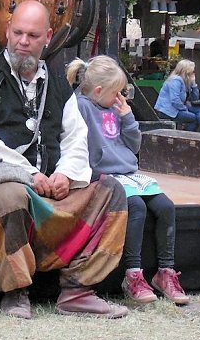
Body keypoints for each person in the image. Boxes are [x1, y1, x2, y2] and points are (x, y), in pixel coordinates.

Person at [0, 0, 129, 320]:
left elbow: (76, 137)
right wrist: (29, 174)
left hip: (47, 181)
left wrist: (65, 174)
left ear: (47, 36)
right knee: (13, 194)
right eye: (17, 32)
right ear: (7, 30)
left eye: (32, 35)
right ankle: (15, 290)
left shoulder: (57, 84)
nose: (23, 41)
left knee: (112, 191)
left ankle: (77, 287)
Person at [68, 56, 189, 305]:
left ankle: (165, 272)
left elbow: (133, 146)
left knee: (165, 207)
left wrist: (127, 118)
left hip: (128, 173)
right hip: (104, 175)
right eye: (116, 93)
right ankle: (133, 274)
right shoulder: (81, 107)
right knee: (136, 206)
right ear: (99, 91)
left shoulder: (116, 109)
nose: (120, 97)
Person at [154, 59, 200, 133]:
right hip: (167, 111)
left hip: (177, 108)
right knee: (194, 118)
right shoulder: (175, 80)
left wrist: (193, 84)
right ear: (186, 72)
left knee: (199, 110)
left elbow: (195, 98)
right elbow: (175, 100)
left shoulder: (185, 81)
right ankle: (185, 135)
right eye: (192, 72)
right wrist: (185, 109)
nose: (193, 73)